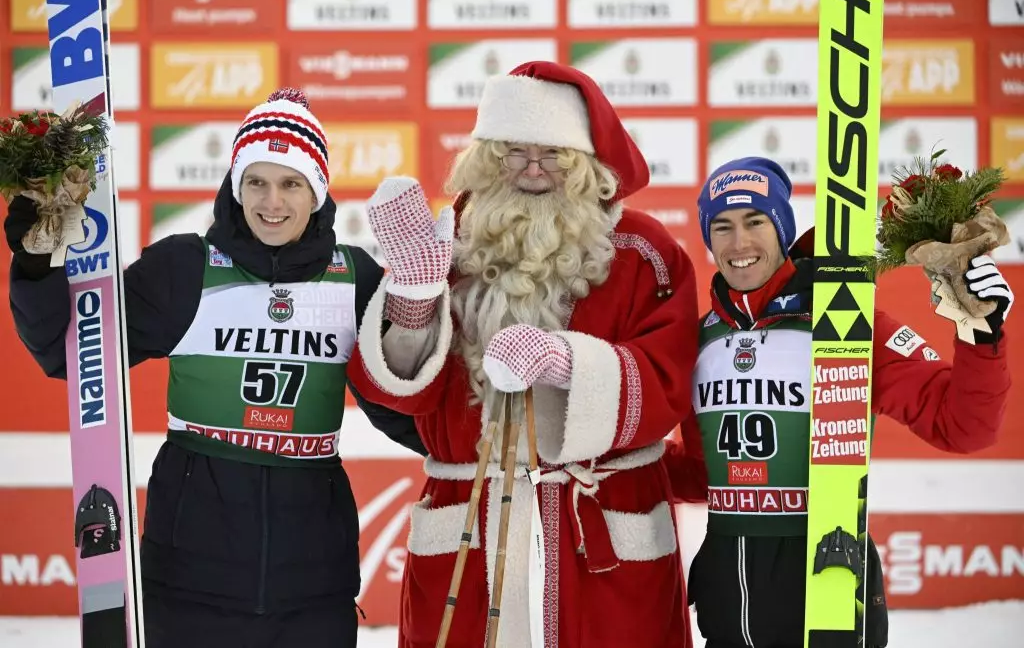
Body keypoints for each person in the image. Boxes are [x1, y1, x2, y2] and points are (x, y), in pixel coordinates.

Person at [4, 88, 423, 648]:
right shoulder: (186, 268)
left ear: (317, 192)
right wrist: (36, 264)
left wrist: (480, 436)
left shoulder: (353, 279)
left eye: (291, 183)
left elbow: (400, 405)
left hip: (313, 586)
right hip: (190, 580)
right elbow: (72, 351)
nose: (271, 202)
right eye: (256, 181)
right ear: (235, 185)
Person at [345, 61, 706, 648]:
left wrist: (567, 364)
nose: (535, 170)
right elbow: (399, 392)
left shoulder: (645, 251)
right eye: (516, 152)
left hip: (603, 528)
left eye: (555, 154)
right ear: (489, 158)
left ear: (587, 164)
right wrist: (412, 303)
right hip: (470, 521)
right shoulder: (450, 241)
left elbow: (668, 378)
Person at [679, 157, 1013, 648]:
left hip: (831, 600)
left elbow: (963, 426)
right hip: (729, 615)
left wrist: (982, 333)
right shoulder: (700, 342)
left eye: (756, 222)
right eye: (722, 227)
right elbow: (699, 472)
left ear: (782, 228)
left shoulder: (845, 324)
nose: (739, 243)